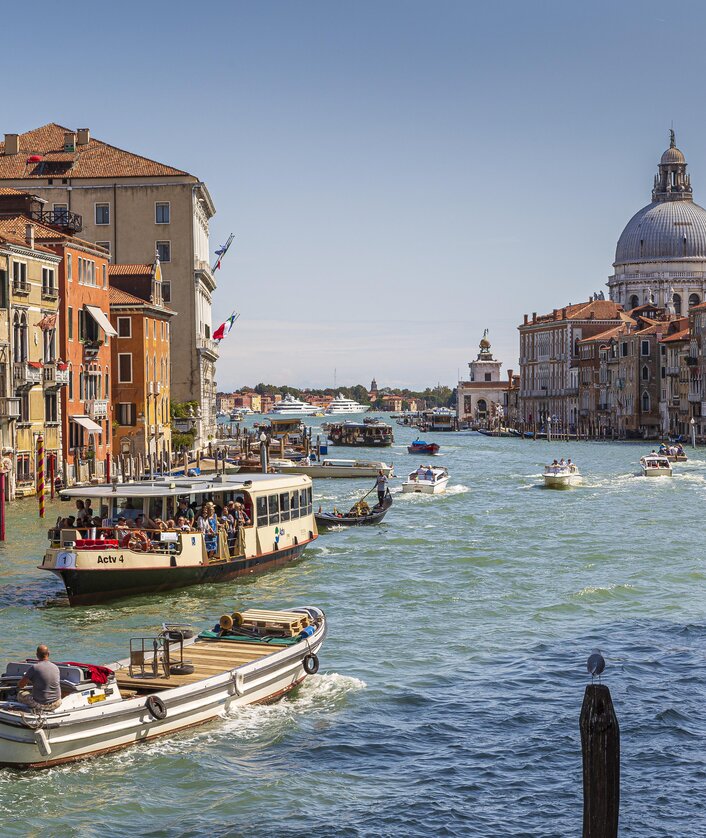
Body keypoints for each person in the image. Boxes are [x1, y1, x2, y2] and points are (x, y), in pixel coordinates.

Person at [17, 645, 62, 711]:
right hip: (56, 703)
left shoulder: (34, 668)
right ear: (48, 654)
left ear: (37, 655)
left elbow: (21, 685)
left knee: (20, 694)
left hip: (40, 705)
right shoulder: (56, 667)